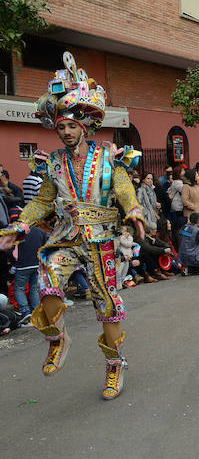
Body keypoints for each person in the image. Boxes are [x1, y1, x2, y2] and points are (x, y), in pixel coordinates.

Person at [0, 52, 144, 399]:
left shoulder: (109, 156)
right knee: (47, 277)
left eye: (70, 126)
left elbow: (124, 189)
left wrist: (135, 210)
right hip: (66, 237)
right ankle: (57, 337)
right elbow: (41, 201)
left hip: (102, 240)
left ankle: (114, 367)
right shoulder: (54, 163)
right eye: (60, 126)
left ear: (84, 126)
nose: (64, 132)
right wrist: (21, 225)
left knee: (107, 305)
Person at [12, 222, 48, 322]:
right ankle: (37, 311)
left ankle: (25, 312)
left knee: (19, 289)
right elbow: (45, 246)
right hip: (37, 264)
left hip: (22, 265)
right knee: (34, 289)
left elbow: (12, 248)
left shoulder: (18, 230)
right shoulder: (39, 231)